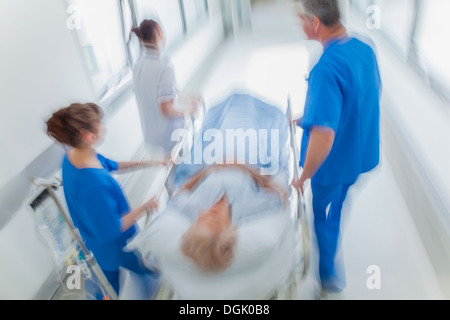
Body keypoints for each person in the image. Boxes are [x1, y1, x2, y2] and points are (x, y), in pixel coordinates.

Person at [291, 0, 381, 296]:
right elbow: (361, 96)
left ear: (315, 23)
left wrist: (303, 177)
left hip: (332, 169)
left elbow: (325, 136)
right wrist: (311, 115)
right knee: (340, 202)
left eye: (301, 19)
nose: (299, 25)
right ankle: (336, 218)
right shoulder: (364, 48)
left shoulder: (326, 68)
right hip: (359, 157)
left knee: (325, 216)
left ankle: (328, 277)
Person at [46, 102, 165, 299]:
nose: (104, 125)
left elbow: (113, 165)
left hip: (97, 236)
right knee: (111, 285)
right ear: (88, 135)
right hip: (113, 245)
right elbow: (111, 229)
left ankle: (147, 279)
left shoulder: (73, 156)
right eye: (100, 122)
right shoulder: (93, 185)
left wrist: (148, 162)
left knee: (134, 268)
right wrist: (145, 207)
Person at [177, 164, 287, 272]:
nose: (212, 209)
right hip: (254, 162)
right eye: (216, 217)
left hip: (207, 164)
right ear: (227, 229)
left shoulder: (193, 207)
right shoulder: (248, 208)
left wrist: (205, 171)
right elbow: (279, 194)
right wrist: (247, 169)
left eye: (203, 217)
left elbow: (178, 195)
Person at [131, 19, 199, 159]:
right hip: (168, 135)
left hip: (151, 134)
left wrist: (186, 98)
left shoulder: (138, 66)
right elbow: (166, 109)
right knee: (176, 167)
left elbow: (163, 93)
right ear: (159, 32)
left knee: (169, 166)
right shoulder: (163, 68)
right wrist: (188, 111)